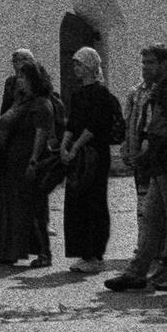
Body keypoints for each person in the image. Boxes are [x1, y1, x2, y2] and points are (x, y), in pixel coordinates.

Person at [103, 45, 167, 293]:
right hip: (161, 166)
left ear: (165, 65)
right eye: (144, 62)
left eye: (150, 63)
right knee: (151, 220)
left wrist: (163, 155)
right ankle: (136, 272)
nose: (145, 67)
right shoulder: (160, 91)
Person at [0, 51, 62, 267]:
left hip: (27, 159)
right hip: (12, 160)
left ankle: (43, 254)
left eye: (23, 77)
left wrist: (33, 161)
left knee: (29, 208)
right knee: (10, 207)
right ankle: (9, 251)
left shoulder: (41, 103)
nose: (19, 80)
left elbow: (41, 134)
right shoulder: (21, 100)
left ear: (33, 79)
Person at [59, 45, 122, 273]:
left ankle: (95, 254)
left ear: (89, 66)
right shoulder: (78, 93)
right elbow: (73, 122)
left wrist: (75, 146)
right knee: (76, 202)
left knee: (94, 201)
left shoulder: (101, 94)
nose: (76, 68)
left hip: (94, 153)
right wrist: (64, 145)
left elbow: (94, 124)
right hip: (79, 154)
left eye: (79, 64)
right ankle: (83, 252)